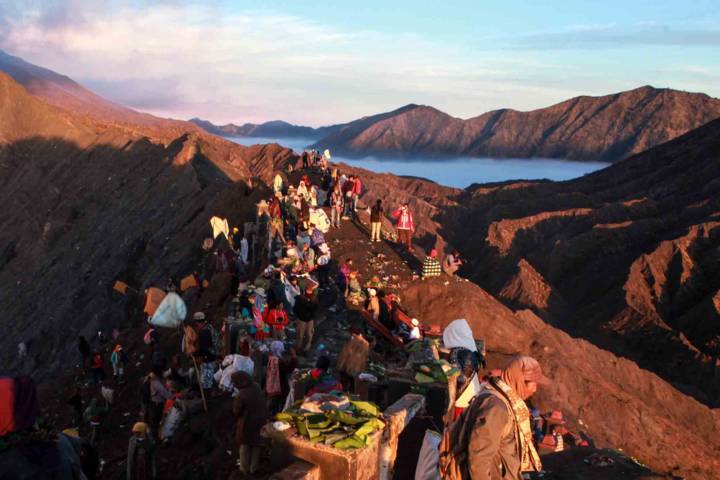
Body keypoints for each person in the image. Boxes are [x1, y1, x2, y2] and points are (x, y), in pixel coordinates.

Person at [445, 356, 548, 480]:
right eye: (534, 383)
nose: (535, 389)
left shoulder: (499, 397)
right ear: (520, 381)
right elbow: (479, 458)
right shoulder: (497, 408)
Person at [232, 371, 268, 475]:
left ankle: (244, 469)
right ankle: (254, 468)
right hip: (260, 420)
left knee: (245, 445)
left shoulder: (241, 394)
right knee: (256, 444)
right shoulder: (256, 386)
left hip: (247, 423)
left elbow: (236, 411)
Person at [293, 286, 318, 354]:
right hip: (302, 319)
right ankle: (298, 348)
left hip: (309, 319)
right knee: (300, 335)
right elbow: (296, 308)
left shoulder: (314, 299)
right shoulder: (300, 298)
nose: (309, 292)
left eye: (310, 290)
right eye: (308, 290)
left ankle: (306, 349)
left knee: (309, 335)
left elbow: (315, 308)